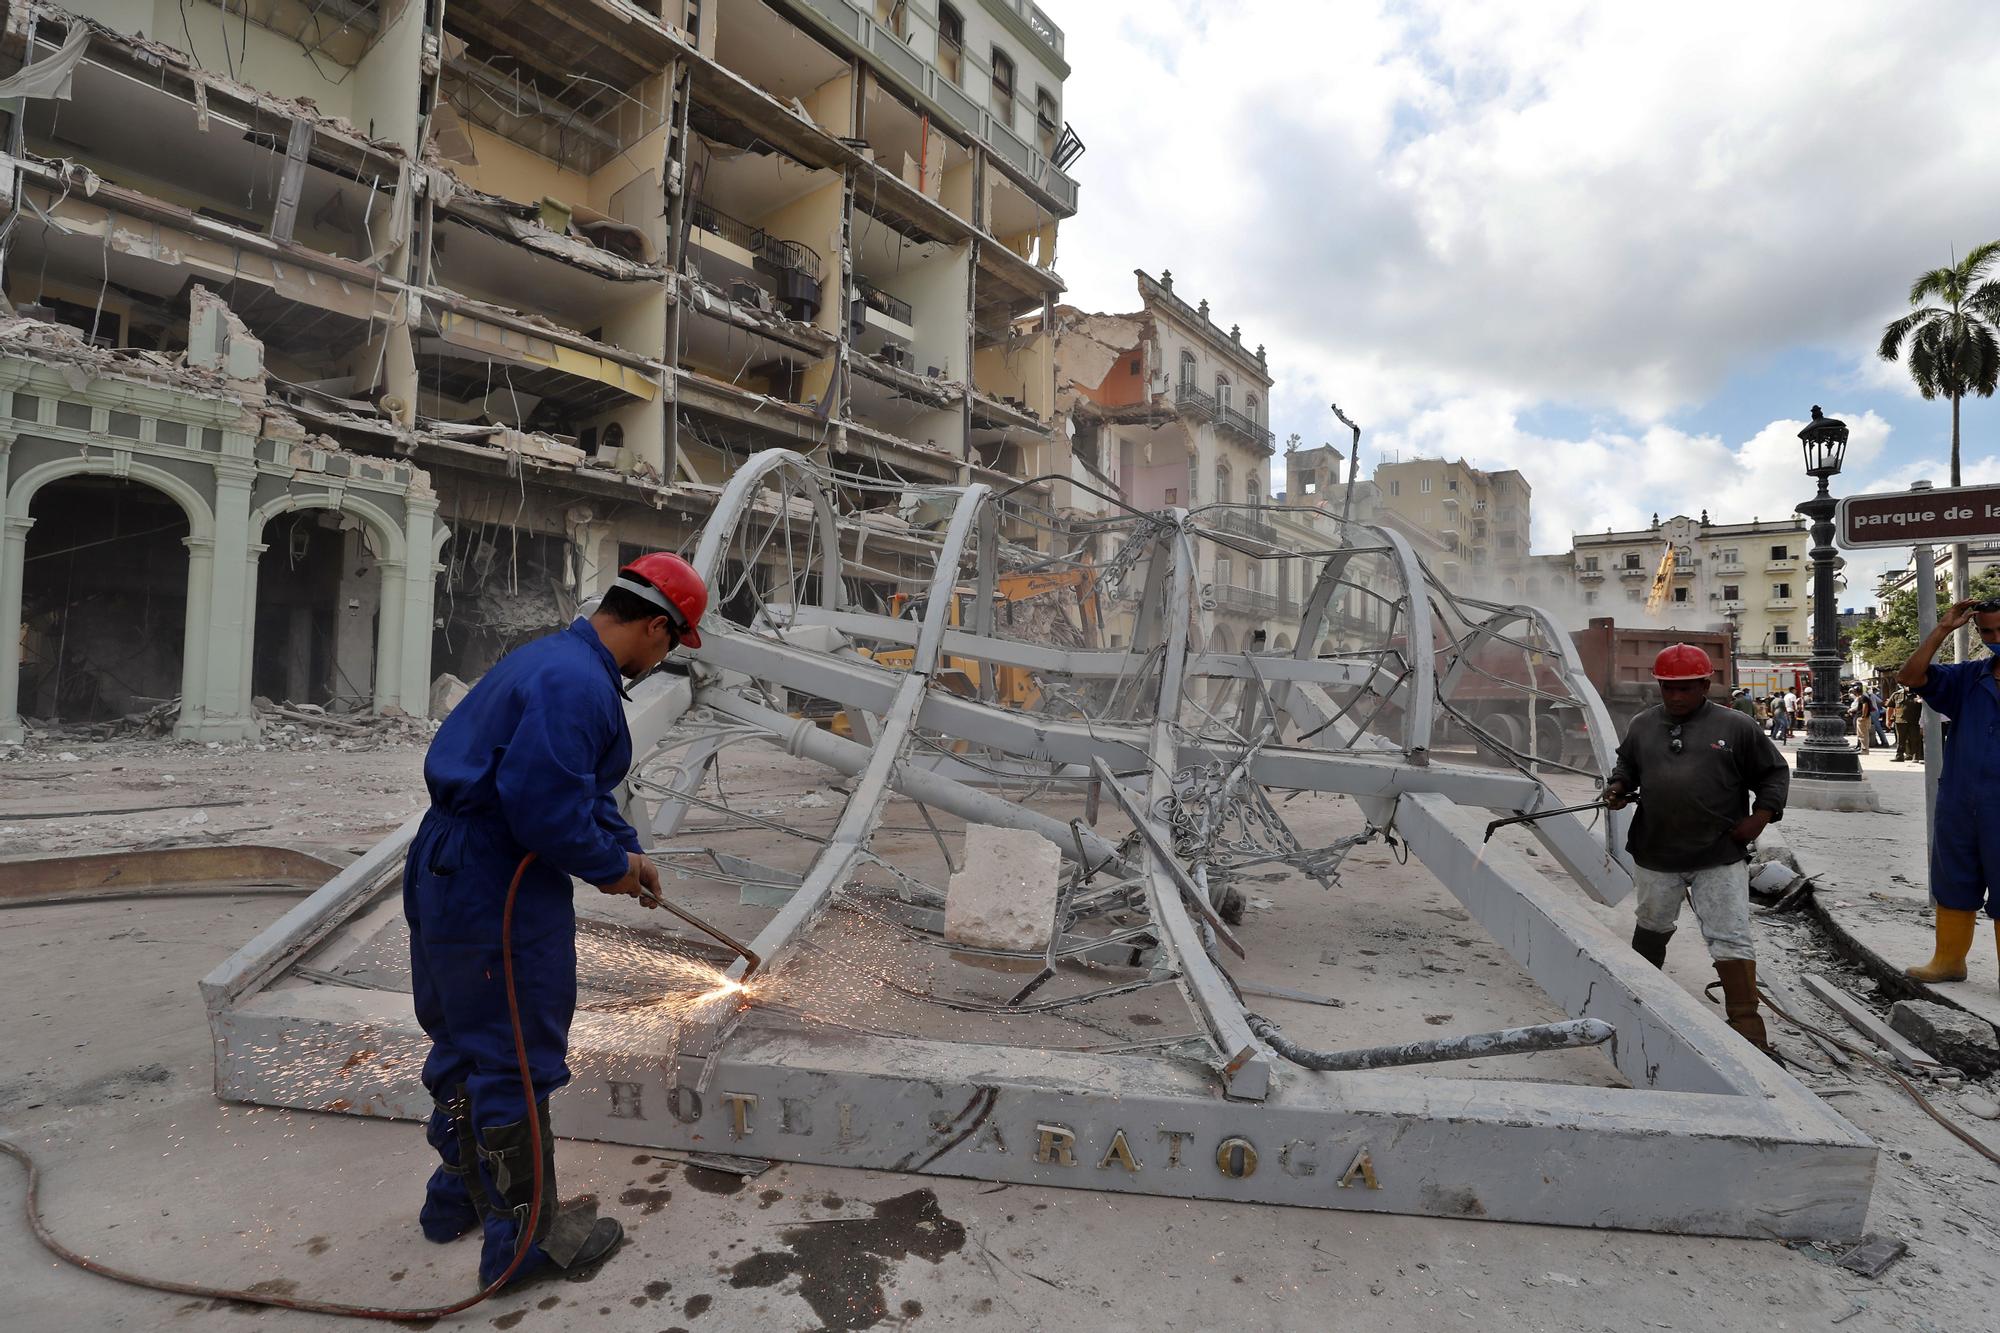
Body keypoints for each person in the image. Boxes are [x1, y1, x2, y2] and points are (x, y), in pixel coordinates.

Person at [404, 553, 708, 1288]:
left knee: (465, 1039)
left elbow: (572, 784)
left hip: (452, 866)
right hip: (496, 879)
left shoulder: (550, 661)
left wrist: (626, 845)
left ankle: (454, 1201)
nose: (662, 658)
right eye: (671, 644)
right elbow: (544, 806)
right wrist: (608, 869)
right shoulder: (580, 687)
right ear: (656, 625)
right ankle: (521, 1243)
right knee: (514, 1051)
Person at [1605, 643, 1791, 1056]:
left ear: (1706, 684)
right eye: (1668, 688)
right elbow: (1627, 768)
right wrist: (1618, 787)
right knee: (1651, 926)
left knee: (1730, 938)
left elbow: (1773, 774)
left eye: (1686, 688)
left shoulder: (1737, 727)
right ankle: (1638, 1005)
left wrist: (1759, 818)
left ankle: (1749, 1032)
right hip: (1657, 850)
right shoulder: (1642, 725)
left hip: (1719, 853)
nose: (1675, 696)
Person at [1898, 598, 2000, 986]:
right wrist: (1942, 629)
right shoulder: (1969, 678)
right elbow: (1911, 676)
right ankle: (1948, 961)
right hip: (1960, 799)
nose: (1994, 639)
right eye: (1987, 631)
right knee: (1954, 879)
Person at [1892, 685, 1924, 763]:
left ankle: (1916, 756)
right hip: (1900, 721)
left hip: (1914, 721)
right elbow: (1891, 707)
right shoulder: (1897, 694)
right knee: (1900, 740)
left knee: (1915, 739)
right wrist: (1889, 719)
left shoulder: (1918, 694)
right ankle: (1899, 756)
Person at [1849, 685, 1873, 754]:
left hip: (1862, 718)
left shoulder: (1862, 697)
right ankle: (1863, 748)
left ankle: (1864, 750)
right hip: (1861, 717)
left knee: (1863, 734)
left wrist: (1863, 716)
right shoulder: (1862, 697)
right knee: (1861, 734)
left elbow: (1865, 706)